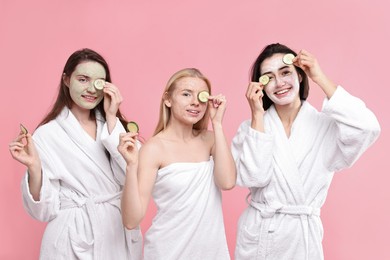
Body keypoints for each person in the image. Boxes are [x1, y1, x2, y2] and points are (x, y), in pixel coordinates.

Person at [232, 43, 380, 260]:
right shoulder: (251, 128)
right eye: (269, 77)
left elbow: (368, 128)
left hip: (301, 239)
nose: (279, 83)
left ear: (300, 76)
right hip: (260, 236)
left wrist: (319, 76)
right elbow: (254, 177)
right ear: (261, 86)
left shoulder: (325, 127)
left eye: (285, 73)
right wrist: (257, 116)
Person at [9, 48, 142, 260]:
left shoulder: (115, 127)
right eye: (83, 79)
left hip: (115, 232)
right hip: (70, 237)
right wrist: (34, 168)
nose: (91, 89)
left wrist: (111, 117)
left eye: (98, 82)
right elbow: (44, 211)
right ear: (67, 80)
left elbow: (137, 180)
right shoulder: (48, 134)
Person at [118, 68, 236, 259]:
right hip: (167, 251)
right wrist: (131, 167)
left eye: (201, 96)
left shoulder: (211, 140)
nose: (195, 102)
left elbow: (227, 182)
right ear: (168, 99)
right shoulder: (154, 148)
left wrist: (218, 124)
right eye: (186, 94)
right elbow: (131, 220)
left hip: (211, 253)